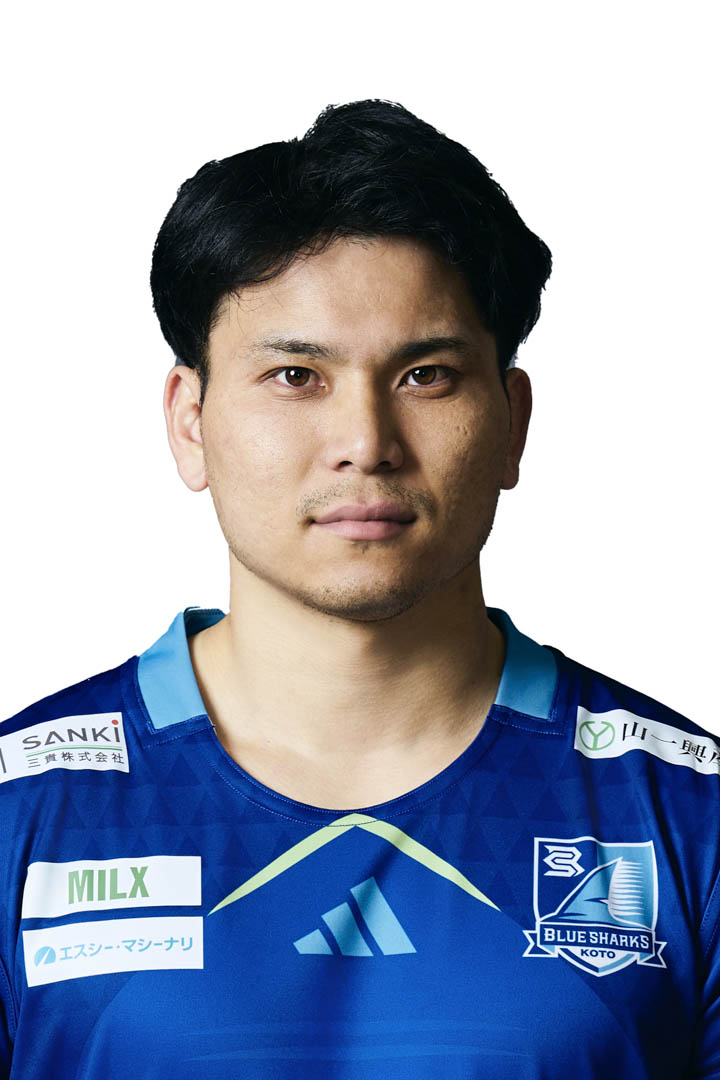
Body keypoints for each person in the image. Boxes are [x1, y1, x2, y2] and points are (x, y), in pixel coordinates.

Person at [0, 98, 718, 1080]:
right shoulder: (25, 809)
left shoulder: (685, 815)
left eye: (426, 375)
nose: (366, 443)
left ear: (512, 423)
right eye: (296, 375)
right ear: (189, 421)